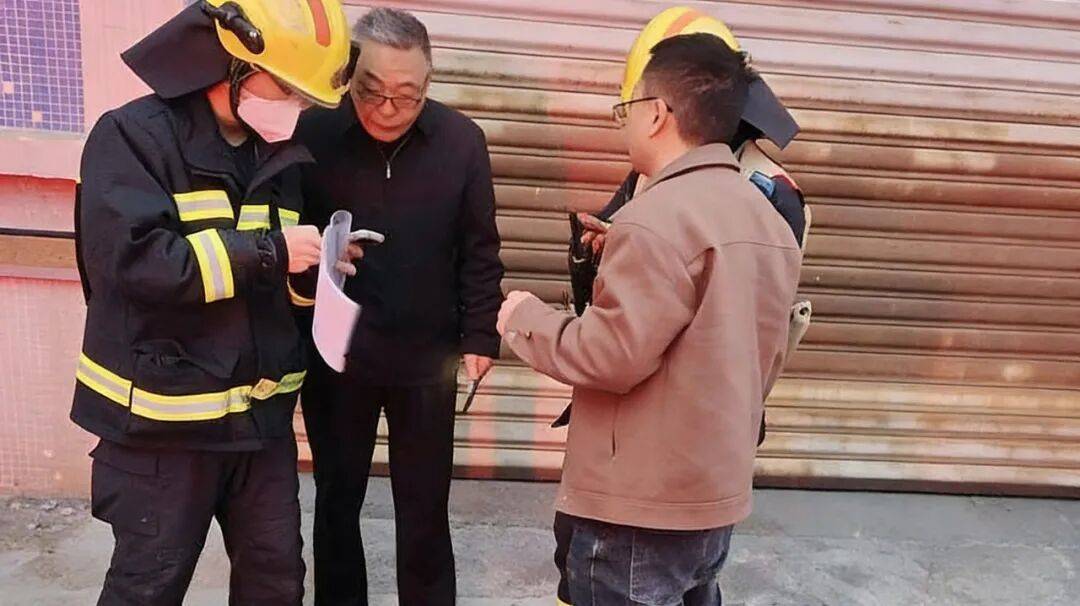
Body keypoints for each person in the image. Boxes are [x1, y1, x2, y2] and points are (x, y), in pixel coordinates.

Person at [498, 33, 803, 605]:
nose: (625, 122)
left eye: (628, 108)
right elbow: (756, 353)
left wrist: (525, 318)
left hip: (637, 514)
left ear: (657, 114)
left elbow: (609, 356)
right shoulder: (766, 219)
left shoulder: (654, 218)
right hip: (713, 502)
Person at [70, 1, 350, 603]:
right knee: (148, 588)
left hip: (259, 426)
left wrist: (316, 271)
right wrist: (272, 252)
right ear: (233, 61)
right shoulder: (132, 138)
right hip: (163, 429)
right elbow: (137, 267)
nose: (296, 108)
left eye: (306, 98)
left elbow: (270, 285)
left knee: (276, 584)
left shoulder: (276, 154)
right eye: (288, 89)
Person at [294, 7, 504, 605]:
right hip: (339, 356)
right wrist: (317, 256)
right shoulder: (314, 133)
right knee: (337, 499)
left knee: (425, 504)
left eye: (407, 96)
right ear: (348, 77)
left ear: (428, 84)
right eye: (371, 91)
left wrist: (480, 335)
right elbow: (282, 234)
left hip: (426, 359)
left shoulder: (461, 142)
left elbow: (480, 247)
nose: (388, 108)